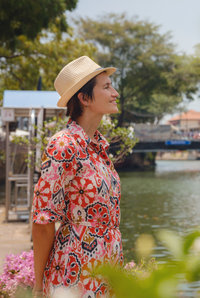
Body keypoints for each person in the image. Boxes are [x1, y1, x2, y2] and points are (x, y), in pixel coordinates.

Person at [32, 56, 122, 297]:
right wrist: (38, 287)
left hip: (107, 270)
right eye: (106, 87)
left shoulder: (100, 147)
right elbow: (43, 221)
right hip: (74, 271)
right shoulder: (63, 145)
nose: (115, 93)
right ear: (83, 98)